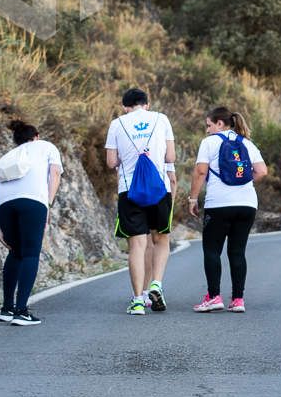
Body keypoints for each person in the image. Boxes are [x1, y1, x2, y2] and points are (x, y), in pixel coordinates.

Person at [188, 107, 267, 313]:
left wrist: (193, 198)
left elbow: (200, 171)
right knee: (237, 252)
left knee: (212, 250)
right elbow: (262, 171)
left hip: (219, 204)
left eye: (209, 125)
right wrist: (243, 183)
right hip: (247, 204)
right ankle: (238, 299)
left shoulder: (209, 143)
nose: (207, 130)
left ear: (220, 124)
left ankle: (214, 296)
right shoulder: (247, 143)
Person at [105, 88, 176, 315]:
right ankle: (156, 284)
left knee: (137, 244)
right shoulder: (161, 119)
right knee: (161, 238)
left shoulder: (117, 124)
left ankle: (137, 300)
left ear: (125, 106)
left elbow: (110, 162)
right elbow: (171, 158)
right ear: (147, 103)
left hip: (129, 190)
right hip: (159, 189)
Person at [0, 120, 63, 326]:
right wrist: (48, 203)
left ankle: (7, 308)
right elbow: (55, 173)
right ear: (37, 136)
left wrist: (2, 226)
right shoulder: (47, 146)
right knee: (31, 253)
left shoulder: (9, 155)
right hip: (32, 200)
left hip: (2, 204)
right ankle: (21, 311)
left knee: (15, 251)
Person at [141, 164, 176, 309]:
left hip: (133, 193)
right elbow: (172, 179)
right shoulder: (162, 142)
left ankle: (142, 293)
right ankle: (156, 283)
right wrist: (171, 204)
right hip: (161, 193)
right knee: (162, 239)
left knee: (143, 244)